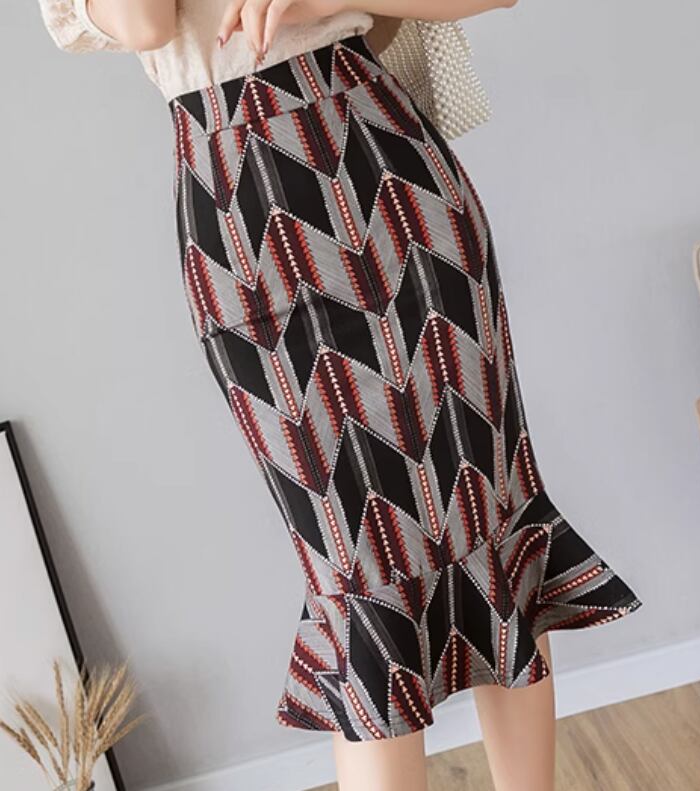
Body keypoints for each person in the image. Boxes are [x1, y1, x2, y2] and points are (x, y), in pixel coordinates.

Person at [37, 2, 643, 789]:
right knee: (356, 577)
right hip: (239, 220)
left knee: (486, 522)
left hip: (390, 181)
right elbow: (145, 24)